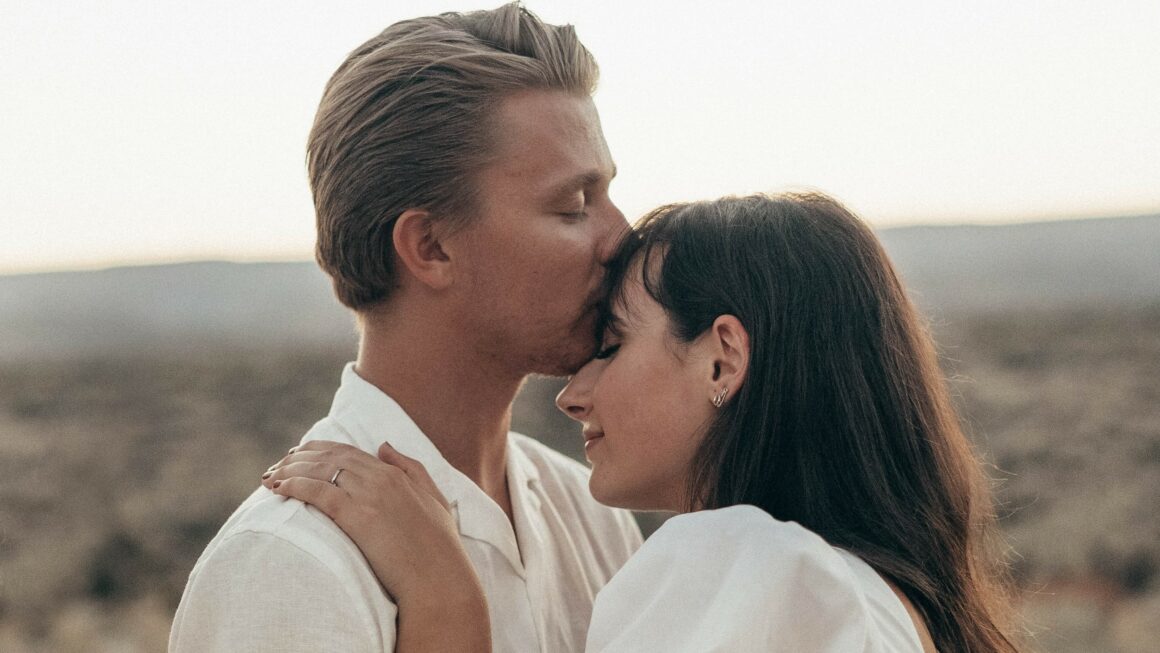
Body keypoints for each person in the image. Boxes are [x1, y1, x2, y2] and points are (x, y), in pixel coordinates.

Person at [263, 193, 1023, 652]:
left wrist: (447, 607)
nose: (572, 394)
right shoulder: (880, 596)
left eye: (613, 345)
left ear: (722, 358)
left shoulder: (749, 568)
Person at [169, 4, 643, 652]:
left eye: (608, 195)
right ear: (431, 247)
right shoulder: (289, 565)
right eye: (573, 205)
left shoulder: (590, 512)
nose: (623, 236)